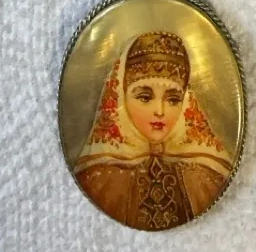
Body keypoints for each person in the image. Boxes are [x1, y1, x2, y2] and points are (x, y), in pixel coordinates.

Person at [74, 32, 232, 230]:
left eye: (173, 100)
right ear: (121, 96)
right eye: (145, 97)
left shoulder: (206, 178)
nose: (160, 111)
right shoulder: (97, 179)